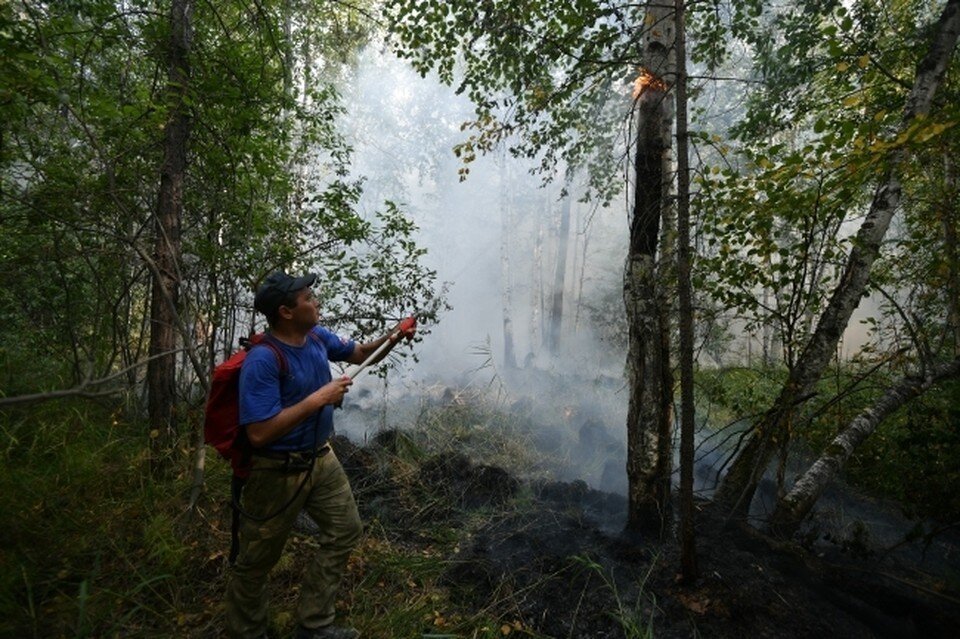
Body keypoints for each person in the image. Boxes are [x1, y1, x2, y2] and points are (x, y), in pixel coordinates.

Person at [225, 271, 415, 639]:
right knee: (256, 561)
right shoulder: (263, 360)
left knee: (345, 531)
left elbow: (361, 354)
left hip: (320, 458)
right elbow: (259, 433)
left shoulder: (316, 337)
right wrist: (319, 399)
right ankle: (247, 631)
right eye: (309, 298)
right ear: (286, 311)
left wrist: (393, 337)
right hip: (276, 470)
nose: (317, 302)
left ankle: (314, 626)